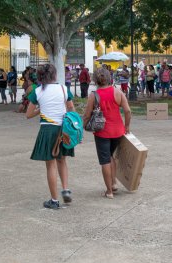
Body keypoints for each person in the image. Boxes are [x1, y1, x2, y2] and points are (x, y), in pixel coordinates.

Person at [26, 64, 75, 209]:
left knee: (50, 165)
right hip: (63, 129)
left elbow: (28, 115)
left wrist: (40, 109)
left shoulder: (38, 91)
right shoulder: (63, 89)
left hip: (47, 130)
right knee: (62, 160)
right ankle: (65, 189)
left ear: (39, 76)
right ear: (55, 75)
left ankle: (54, 200)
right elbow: (71, 108)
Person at [83, 68, 131, 199]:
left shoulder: (94, 95)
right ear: (109, 78)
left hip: (102, 132)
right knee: (111, 157)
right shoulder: (118, 92)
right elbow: (127, 111)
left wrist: (82, 126)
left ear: (96, 80)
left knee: (105, 161)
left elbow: (87, 114)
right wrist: (126, 126)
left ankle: (109, 191)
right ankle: (114, 183)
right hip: (118, 131)